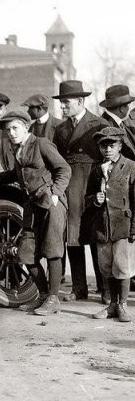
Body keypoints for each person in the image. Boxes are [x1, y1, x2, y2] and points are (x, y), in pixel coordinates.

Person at [0, 111, 71, 316]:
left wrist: (56, 194)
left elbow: (64, 169)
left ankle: (53, 298)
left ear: (26, 127)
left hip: (51, 203)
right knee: (26, 253)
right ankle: (41, 296)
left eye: (15, 128)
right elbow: (15, 175)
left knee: (52, 249)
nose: (11, 133)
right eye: (8, 130)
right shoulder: (18, 150)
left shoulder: (41, 144)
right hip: (32, 205)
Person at [53, 80, 108, 302]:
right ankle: (79, 288)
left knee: (96, 237)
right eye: (61, 103)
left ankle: (105, 289)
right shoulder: (61, 129)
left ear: (80, 101)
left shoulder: (98, 124)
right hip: (70, 186)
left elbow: (107, 157)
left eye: (66, 102)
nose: (62, 107)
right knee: (73, 237)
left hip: (92, 184)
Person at [84, 128, 135, 322]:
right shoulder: (96, 169)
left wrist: (134, 228)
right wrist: (94, 200)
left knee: (122, 267)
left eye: (111, 145)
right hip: (102, 227)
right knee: (106, 267)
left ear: (120, 146)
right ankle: (112, 304)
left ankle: (122, 305)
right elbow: (86, 198)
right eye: (103, 145)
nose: (107, 149)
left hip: (123, 226)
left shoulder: (130, 167)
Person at [99, 85, 135, 160]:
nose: (130, 108)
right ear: (122, 109)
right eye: (128, 105)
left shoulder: (120, 122)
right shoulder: (106, 126)